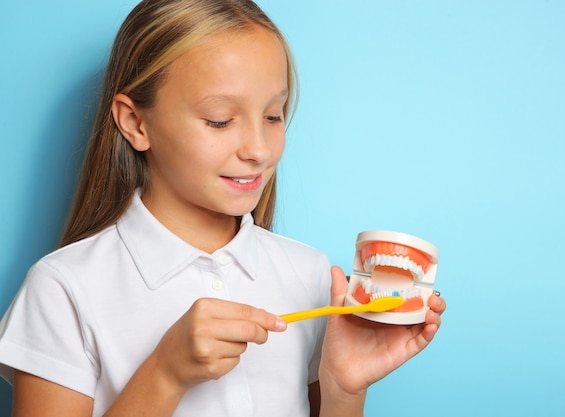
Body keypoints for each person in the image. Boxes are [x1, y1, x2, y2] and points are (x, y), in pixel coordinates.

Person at [0, 0, 446, 416]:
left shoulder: (310, 275)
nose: (258, 149)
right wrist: (164, 374)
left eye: (273, 115)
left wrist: (345, 391)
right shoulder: (63, 290)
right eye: (220, 120)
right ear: (135, 123)